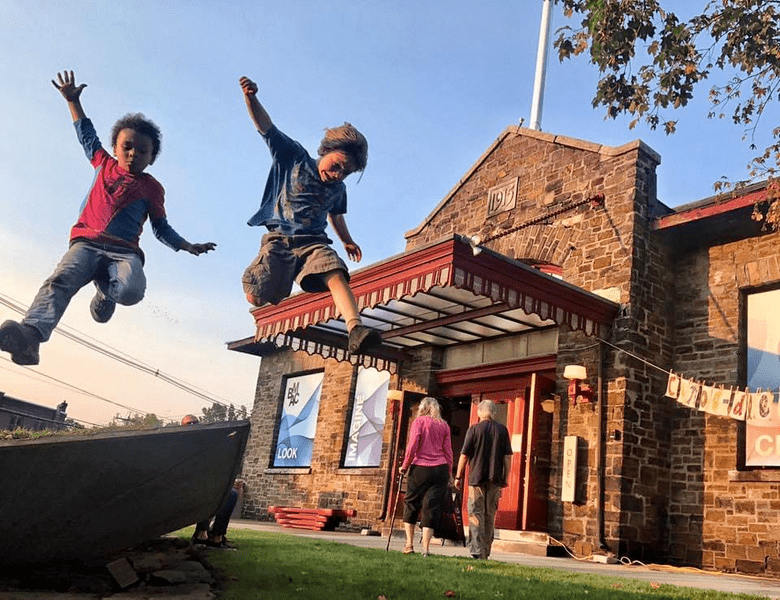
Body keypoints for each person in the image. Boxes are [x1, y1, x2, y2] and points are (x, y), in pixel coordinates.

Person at [0, 71, 216, 366]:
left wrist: (186, 245)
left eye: (142, 151)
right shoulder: (103, 163)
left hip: (123, 253)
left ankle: (105, 293)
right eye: (127, 147)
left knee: (130, 290)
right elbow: (86, 135)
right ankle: (31, 337)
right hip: (86, 244)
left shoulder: (152, 188)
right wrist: (73, 102)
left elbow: (160, 227)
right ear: (115, 147)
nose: (132, 154)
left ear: (152, 157)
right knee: (60, 281)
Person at [238, 75, 381, 355]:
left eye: (346, 173)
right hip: (280, 240)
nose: (338, 174)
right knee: (256, 296)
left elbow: (336, 217)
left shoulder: (338, 189)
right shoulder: (295, 157)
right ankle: (270, 282)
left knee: (336, 271)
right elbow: (267, 128)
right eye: (337, 165)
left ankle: (355, 328)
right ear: (325, 150)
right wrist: (251, 97)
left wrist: (346, 242)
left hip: (313, 243)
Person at [453, 399, 513, 560]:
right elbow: (507, 457)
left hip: (476, 479)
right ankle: (486, 550)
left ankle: (477, 549)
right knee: (489, 515)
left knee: (475, 513)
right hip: (495, 479)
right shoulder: (502, 430)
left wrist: (458, 476)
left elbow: (464, 455)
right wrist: (505, 477)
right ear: (494, 413)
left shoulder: (473, 430)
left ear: (479, 412)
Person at [398, 397, 453, 556]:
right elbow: (448, 451)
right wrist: (449, 472)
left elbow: (413, 444)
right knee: (432, 507)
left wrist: (405, 465)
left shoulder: (419, 422)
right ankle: (426, 548)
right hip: (440, 469)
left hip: (421, 468)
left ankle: (409, 544)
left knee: (411, 503)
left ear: (423, 408)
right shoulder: (444, 425)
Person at [181, 414, 242, 549]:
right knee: (205, 490)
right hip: (185, 488)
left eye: (195, 422)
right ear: (182, 427)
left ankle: (217, 535)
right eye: (189, 423)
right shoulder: (179, 445)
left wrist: (229, 482)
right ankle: (201, 533)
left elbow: (215, 469)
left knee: (231, 494)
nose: (193, 425)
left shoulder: (206, 445)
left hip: (205, 484)